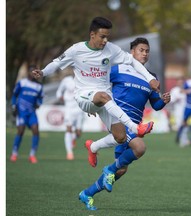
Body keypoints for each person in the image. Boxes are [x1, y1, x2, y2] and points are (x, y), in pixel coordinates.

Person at [32, 17, 160, 166]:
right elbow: (56, 63)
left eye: (107, 37)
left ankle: (93, 147)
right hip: (84, 96)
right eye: (102, 36)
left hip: (103, 100)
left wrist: (150, 78)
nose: (105, 40)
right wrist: (42, 72)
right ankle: (135, 127)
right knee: (104, 97)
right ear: (92, 35)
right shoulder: (76, 50)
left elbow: (132, 61)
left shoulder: (111, 49)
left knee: (121, 137)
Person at [78, 37, 171, 210]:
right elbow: (97, 85)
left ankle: (87, 193)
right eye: (141, 50)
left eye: (147, 51)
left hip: (134, 124)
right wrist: (92, 104)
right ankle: (106, 167)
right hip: (118, 120)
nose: (145, 53)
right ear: (132, 53)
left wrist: (163, 101)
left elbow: (155, 105)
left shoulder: (151, 77)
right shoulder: (118, 69)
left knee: (120, 170)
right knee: (140, 148)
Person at [10, 65, 44, 163]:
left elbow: (40, 98)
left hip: (32, 112)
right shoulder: (22, 83)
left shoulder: (39, 86)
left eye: (36, 72)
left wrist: (39, 104)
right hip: (21, 112)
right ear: (29, 73)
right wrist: (13, 106)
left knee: (36, 130)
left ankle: (32, 155)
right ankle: (14, 153)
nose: (34, 74)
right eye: (32, 72)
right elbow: (14, 95)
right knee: (20, 131)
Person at [56, 71, 85, 160]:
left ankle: (73, 138)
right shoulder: (66, 80)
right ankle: (69, 153)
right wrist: (60, 97)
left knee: (78, 133)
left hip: (79, 108)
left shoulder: (84, 79)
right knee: (68, 129)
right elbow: (59, 92)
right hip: (69, 108)